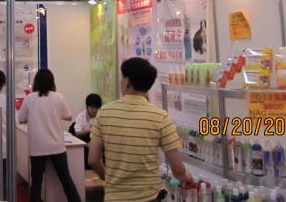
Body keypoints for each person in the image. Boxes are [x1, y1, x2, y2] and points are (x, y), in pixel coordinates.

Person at [88, 57, 192, 201]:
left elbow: (93, 159)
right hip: (148, 197)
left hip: (114, 197)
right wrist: (186, 177)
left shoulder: (104, 112)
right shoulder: (160, 117)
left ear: (127, 82)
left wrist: (109, 178)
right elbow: (178, 169)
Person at [17, 68, 81, 202]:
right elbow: (68, 116)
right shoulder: (58, 97)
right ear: (52, 82)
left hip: (37, 147)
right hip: (56, 146)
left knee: (36, 182)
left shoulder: (30, 98)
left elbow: (21, 118)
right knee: (66, 179)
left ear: (36, 82)